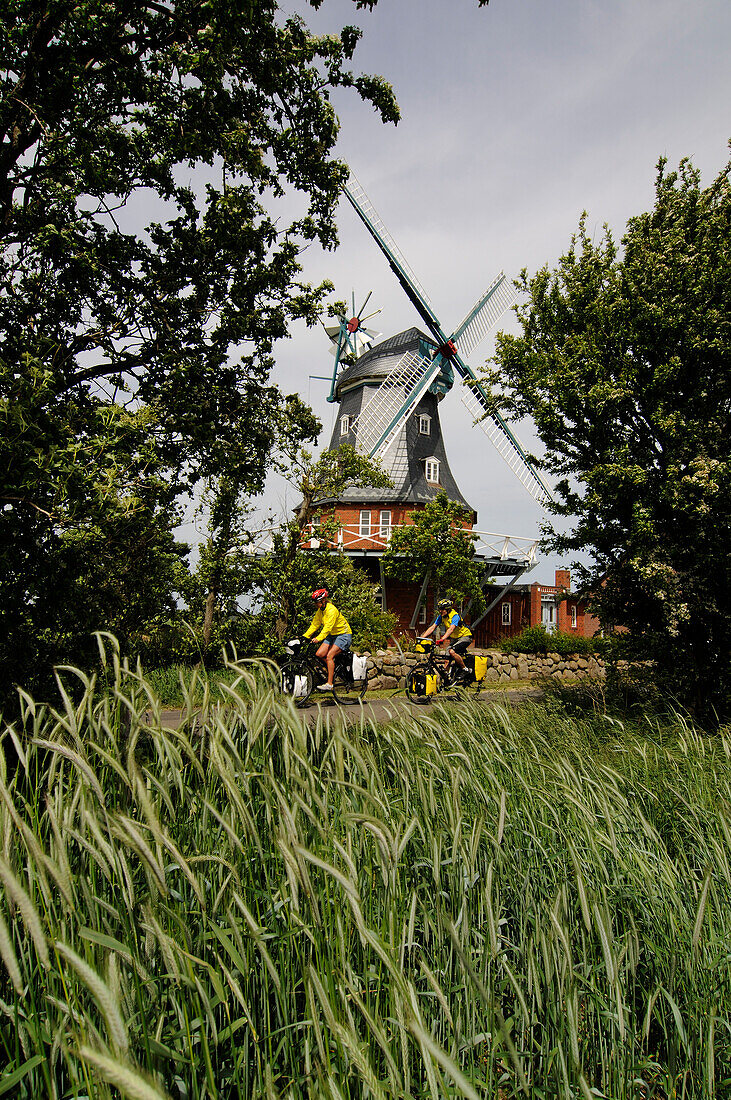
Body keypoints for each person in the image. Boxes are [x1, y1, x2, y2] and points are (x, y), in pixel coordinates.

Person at [303, 588, 353, 692]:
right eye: (315, 602)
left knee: (329, 656)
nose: (316, 604)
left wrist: (318, 638)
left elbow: (327, 628)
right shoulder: (320, 612)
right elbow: (315, 625)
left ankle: (330, 684)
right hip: (332, 635)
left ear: (323, 601)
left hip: (343, 635)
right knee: (319, 654)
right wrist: (304, 637)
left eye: (317, 602)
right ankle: (333, 670)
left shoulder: (331, 610)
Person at [420, 598, 473, 681]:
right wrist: (422, 638)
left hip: (465, 637)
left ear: (448, 609)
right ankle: (447, 680)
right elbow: (433, 627)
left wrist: (443, 639)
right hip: (455, 639)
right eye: (439, 609)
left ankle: (465, 669)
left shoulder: (455, 616)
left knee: (452, 651)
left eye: (442, 609)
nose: (440, 611)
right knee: (447, 658)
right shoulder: (441, 617)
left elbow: (451, 629)